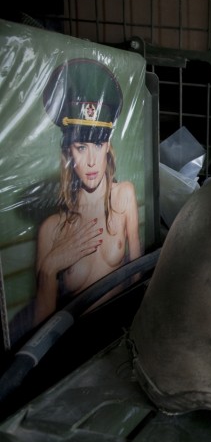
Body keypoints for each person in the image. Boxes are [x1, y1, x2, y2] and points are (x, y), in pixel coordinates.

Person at [33, 58, 142, 327]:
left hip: (123, 326)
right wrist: (49, 269)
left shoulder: (125, 196)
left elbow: (139, 275)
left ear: (108, 147)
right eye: (81, 147)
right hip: (79, 342)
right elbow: (40, 330)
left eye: (99, 144)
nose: (92, 161)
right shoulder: (51, 229)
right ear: (68, 153)